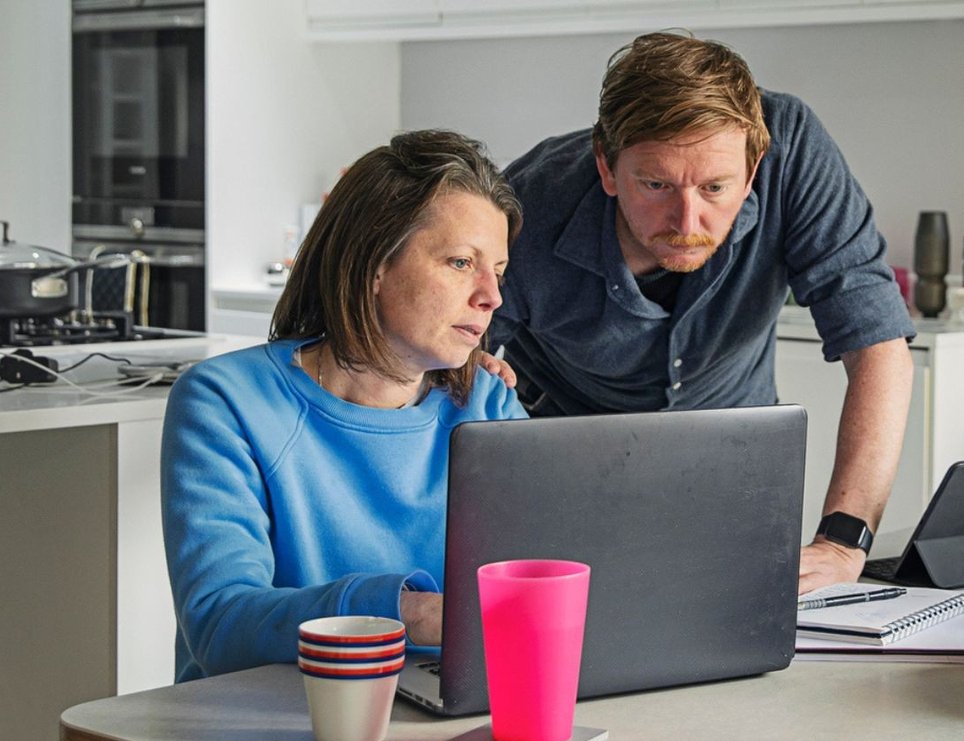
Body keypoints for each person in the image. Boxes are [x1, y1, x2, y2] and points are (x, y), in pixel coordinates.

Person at [491, 32, 916, 593]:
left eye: (716, 187)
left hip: (738, 477)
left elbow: (879, 346)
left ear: (754, 165)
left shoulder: (793, 153)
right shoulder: (524, 209)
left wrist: (843, 539)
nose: (687, 222)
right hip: (565, 484)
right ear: (606, 166)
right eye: (656, 184)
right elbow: (437, 364)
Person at [160, 130, 526, 682]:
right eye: (459, 262)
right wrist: (412, 614)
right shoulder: (225, 401)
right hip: (264, 729)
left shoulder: (488, 403)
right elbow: (221, 625)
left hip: (439, 726)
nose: (490, 296)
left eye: (496, 271)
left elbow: (544, 584)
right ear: (374, 265)